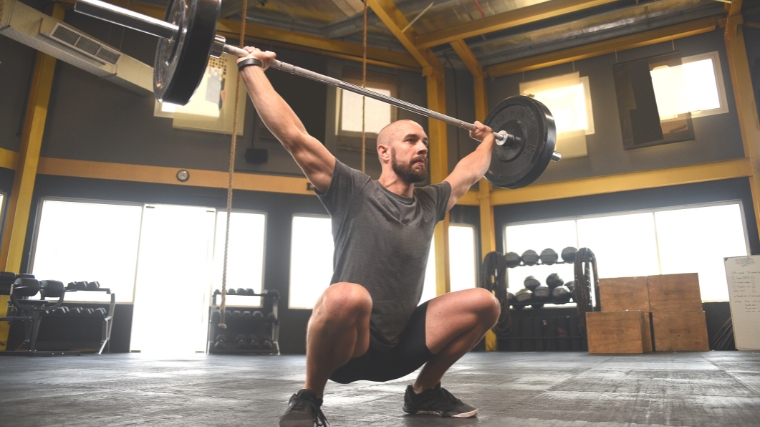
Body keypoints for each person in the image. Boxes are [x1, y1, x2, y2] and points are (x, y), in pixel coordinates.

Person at [237, 47, 501, 427]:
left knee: (485, 303)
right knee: (348, 294)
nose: (422, 147)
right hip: (349, 349)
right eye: (411, 140)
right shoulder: (354, 190)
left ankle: (424, 391)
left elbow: (470, 172)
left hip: (401, 346)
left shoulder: (431, 202)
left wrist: (489, 139)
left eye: (425, 141)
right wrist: (251, 68)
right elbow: (294, 136)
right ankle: (310, 396)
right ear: (384, 151)